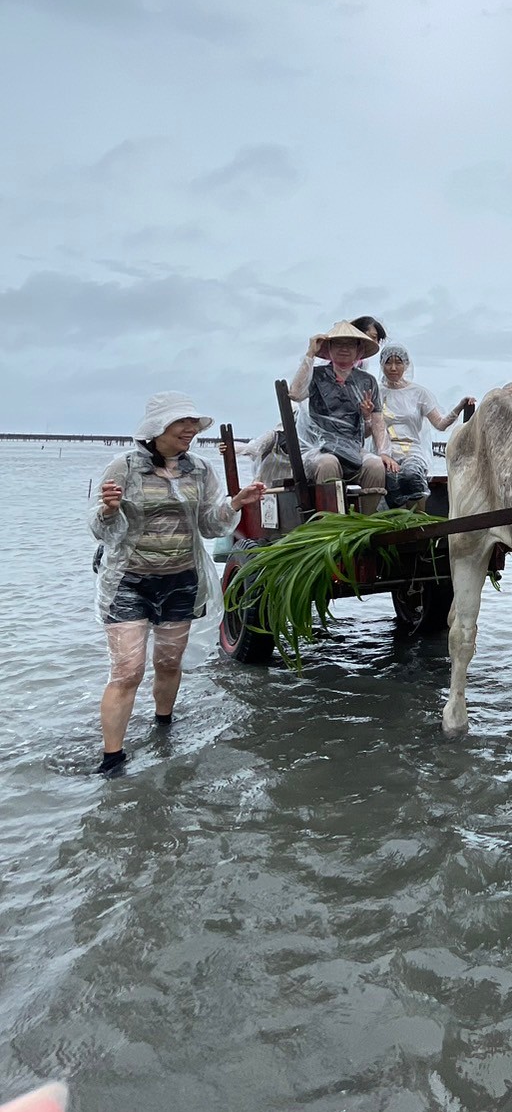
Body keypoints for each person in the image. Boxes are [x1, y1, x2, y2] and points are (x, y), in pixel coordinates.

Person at [90, 393, 266, 774]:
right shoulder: (124, 467)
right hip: (128, 582)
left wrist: (236, 503)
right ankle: (112, 759)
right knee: (127, 671)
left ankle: (163, 726)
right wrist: (108, 510)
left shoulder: (200, 470)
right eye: (182, 423)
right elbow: (100, 530)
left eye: (193, 424)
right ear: (156, 429)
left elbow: (209, 525)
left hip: (181, 580)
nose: (191, 430)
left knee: (169, 663)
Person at [287, 320, 398, 503]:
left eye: (350, 344)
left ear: (359, 350)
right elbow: (295, 393)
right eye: (338, 344)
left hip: (353, 447)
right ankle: (331, 519)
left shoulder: (367, 381)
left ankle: (365, 523)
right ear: (329, 348)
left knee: (376, 465)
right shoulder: (317, 375)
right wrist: (310, 354)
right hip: (321, 447)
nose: (344, 349)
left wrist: (384, 451)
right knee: (328, 463)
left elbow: (378, 422)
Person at [378, 342, 475, 509]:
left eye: (398, 362)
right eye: (388, 362)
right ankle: (395, 525)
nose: (393, 368)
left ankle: (419, 524)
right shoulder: (376, 392)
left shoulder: (418, 393)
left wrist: (459, 407)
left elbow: (440, 424)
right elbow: (369, 426)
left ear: (406, 365)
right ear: (381, 365)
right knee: (390, 479)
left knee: (411, 475)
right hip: (385, 452)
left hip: (412, 451)